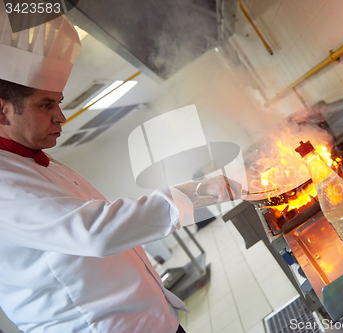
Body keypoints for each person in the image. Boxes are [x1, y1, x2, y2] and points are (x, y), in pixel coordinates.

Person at [0, 11, 242, 333]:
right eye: (46, 105)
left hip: (152, 321)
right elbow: (96, 231)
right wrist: (200, 192)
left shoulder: (37, 160)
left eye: (58, 103)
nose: (61, 117)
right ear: (3, 112)